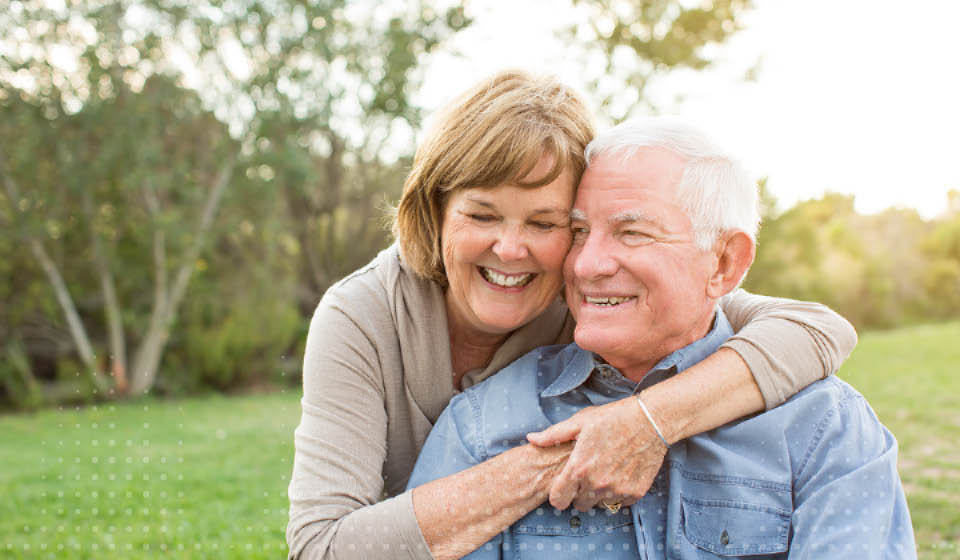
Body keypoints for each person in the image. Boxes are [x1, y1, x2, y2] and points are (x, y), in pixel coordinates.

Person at [286, 71, 859, 560]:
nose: (511, 250)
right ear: (435, 213)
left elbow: (817, 329)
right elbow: (319, 547)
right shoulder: (361, 315)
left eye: (546, 223)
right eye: (482, 215)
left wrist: (646, 422)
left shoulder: (590, 292)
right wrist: (572, 455)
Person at [407, 117, 915, 559]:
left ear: (723, 263)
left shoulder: (824, 429)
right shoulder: (482, 423)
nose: (586, 265)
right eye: (580, 232)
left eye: (632, 233)